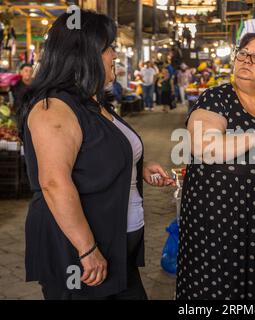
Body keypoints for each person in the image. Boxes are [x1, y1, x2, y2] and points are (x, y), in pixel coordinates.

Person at [18, 10, 175, 300]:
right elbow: (54, 182)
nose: (115, 55)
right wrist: (87, 248)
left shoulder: (92, 101)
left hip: (114, 245)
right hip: (79, 253)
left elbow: (96, 152)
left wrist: (135, 166)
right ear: (85, 54)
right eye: (109, 48)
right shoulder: (53, 108)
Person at [176, 33, 255, 300]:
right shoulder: (217, 97)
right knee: (215, 287)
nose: (247, 60)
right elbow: (206, 147)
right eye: (243, 53)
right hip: (217, 219)